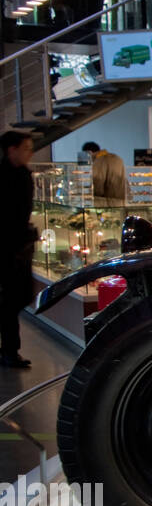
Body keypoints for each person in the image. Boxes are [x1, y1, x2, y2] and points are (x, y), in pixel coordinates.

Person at [0, 130, 37, 368]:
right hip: (7, 247)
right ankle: (10, 351)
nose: (30, 153)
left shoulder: (24, 174)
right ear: (11, 150)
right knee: (14, 297)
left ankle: (9, 349)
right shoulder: (5, 176)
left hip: (19, 246)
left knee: (20, 296)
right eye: (25, 148)